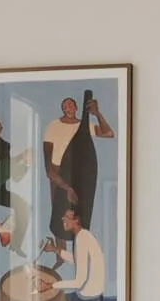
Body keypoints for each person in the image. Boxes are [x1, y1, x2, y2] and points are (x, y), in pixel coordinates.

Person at [42, 89, 114, 235]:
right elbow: (49, 170)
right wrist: (66, 187)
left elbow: (109, 133)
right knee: (59, 219)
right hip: (58, 175)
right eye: (65, 106)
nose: (68, 108)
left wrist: (97, 113)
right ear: (62, 109)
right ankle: (59, 248)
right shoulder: (53, 126)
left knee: (77, 217)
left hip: (77, 173)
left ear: (76, 108)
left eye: (70, 105)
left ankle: (80, 245)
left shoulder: (83, 127)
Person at [43, 204, 107, 301]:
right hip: (85, 297)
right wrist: (55, 249)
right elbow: (78, 261)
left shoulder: (82, 240)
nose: (63, 219)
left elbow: (79, 282)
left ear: (76, 220)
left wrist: (51, 285)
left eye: (67, 217)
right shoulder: (83, 236)